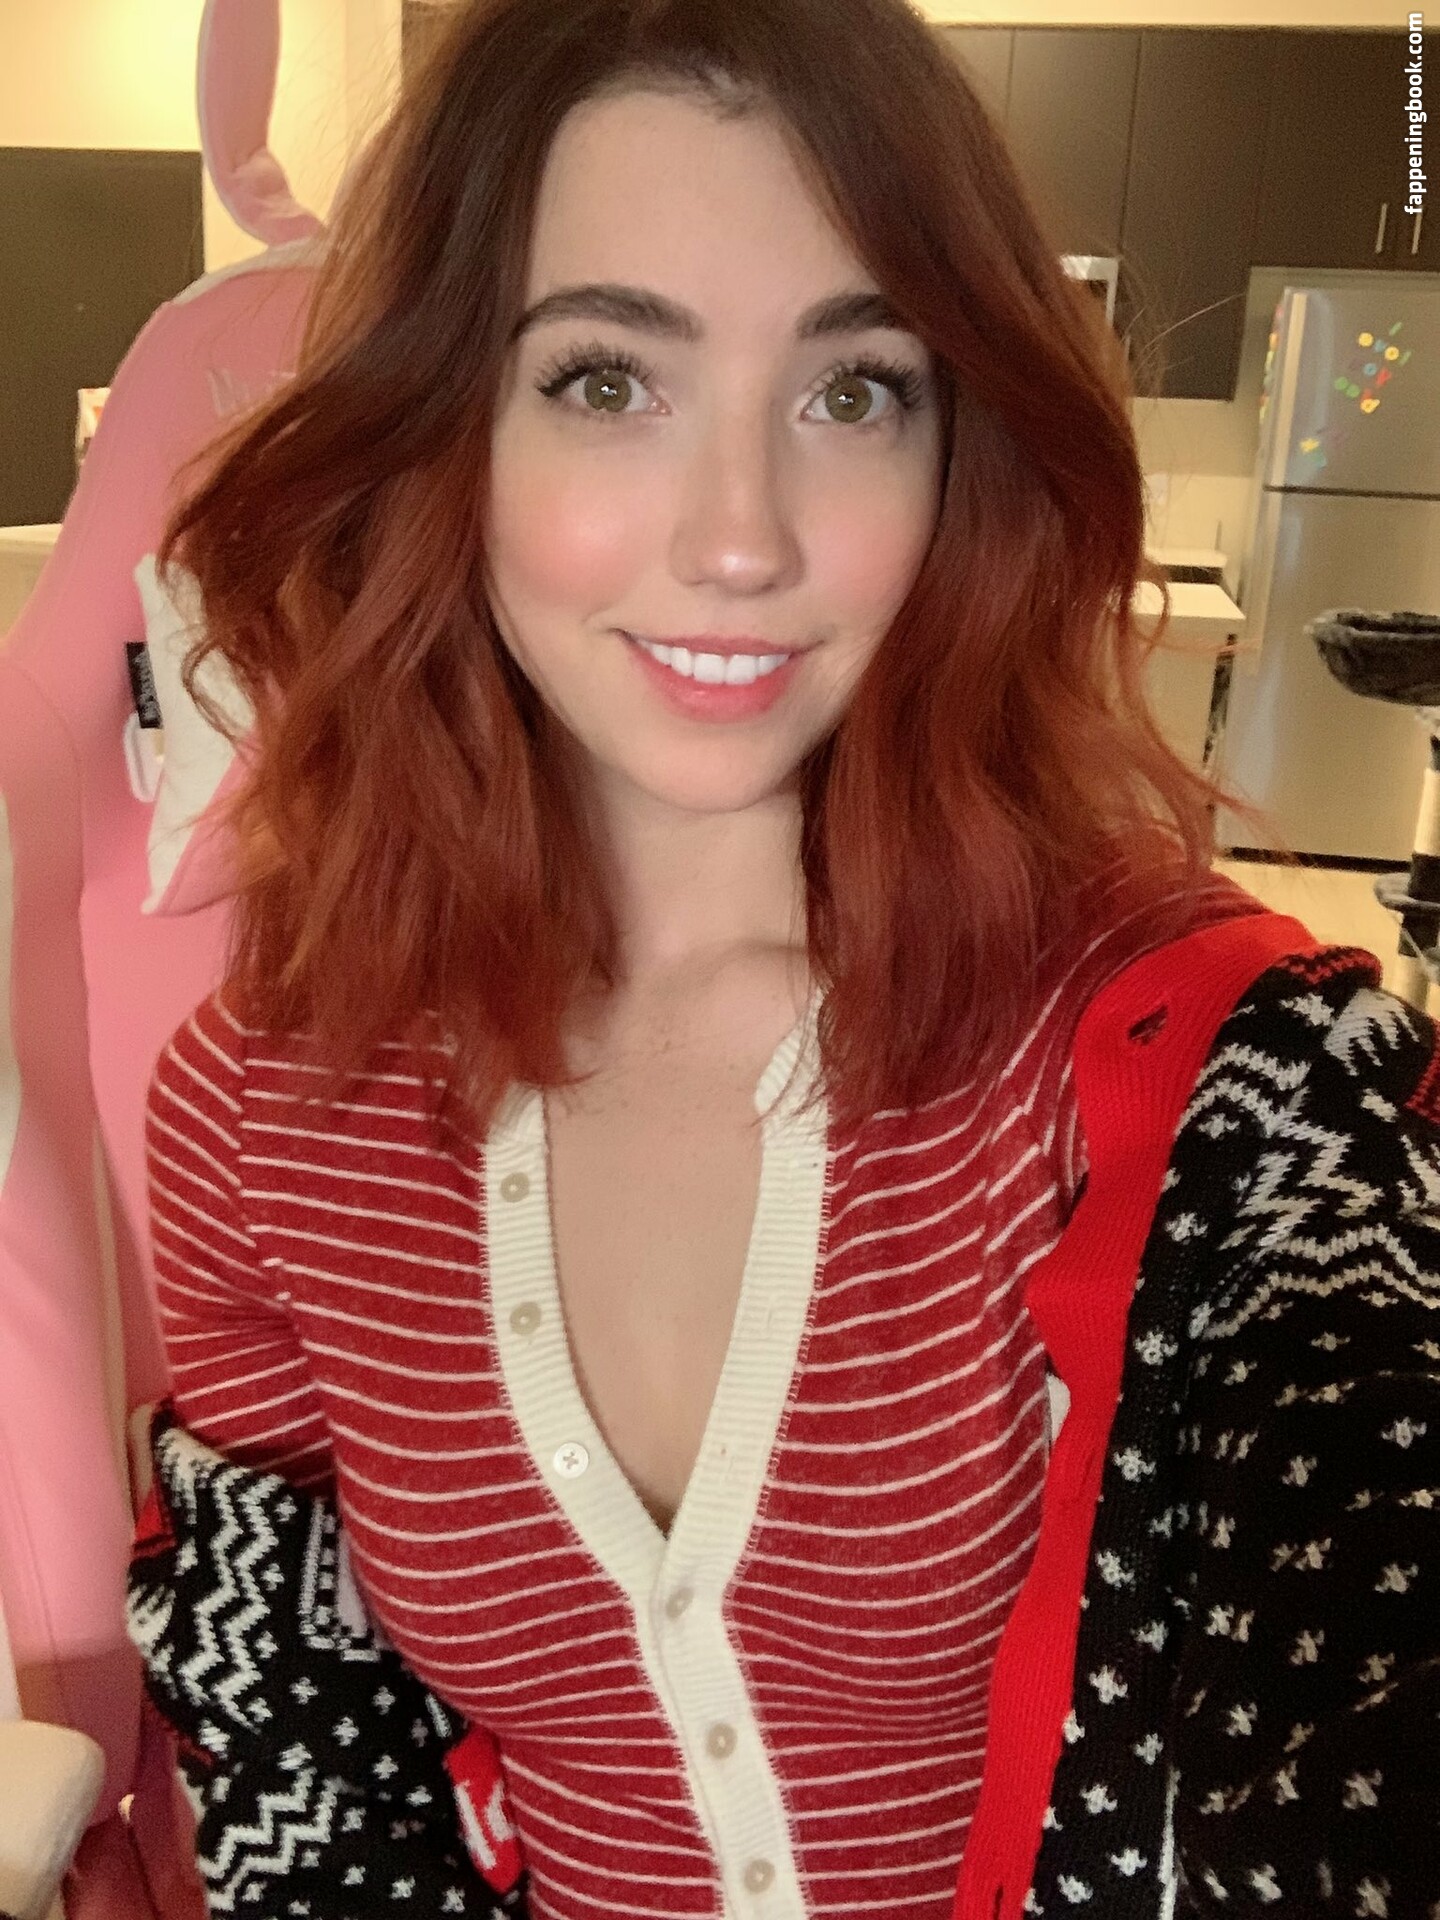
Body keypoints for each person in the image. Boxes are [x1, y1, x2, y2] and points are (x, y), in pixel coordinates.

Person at [126, 0, 1440, 1916]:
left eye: (853, 393)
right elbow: (305, 1761)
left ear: (960, 445)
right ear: (445, 432)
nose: (742, 539)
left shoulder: (1222, 1085)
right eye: (606, 380)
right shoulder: (267, 1110)